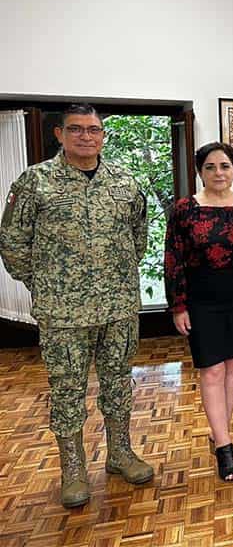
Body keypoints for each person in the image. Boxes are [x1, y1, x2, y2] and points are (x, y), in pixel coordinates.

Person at [0, 103, 153, 508]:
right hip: (62, 313)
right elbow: (12, 242)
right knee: (67, 390)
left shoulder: (124, 181)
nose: (86, 136)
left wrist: (113, 275)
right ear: (59, 135)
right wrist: (44, 282)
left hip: (118, 307)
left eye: (93, 130)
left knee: (119, 382)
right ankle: (73, 469)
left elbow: (140, 236)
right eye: (76, 129)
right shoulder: (36, 182)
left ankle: (120, 453)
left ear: (103, 134)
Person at [164, 142, 233, 482]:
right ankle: (224, 447)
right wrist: (178, 304)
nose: (218, 173)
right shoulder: (185, 209)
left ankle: (219, 430)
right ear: (200, 171)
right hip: (201, 296)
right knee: (211, 371)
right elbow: (174, 258)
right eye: (210, 167)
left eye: (224, 166)